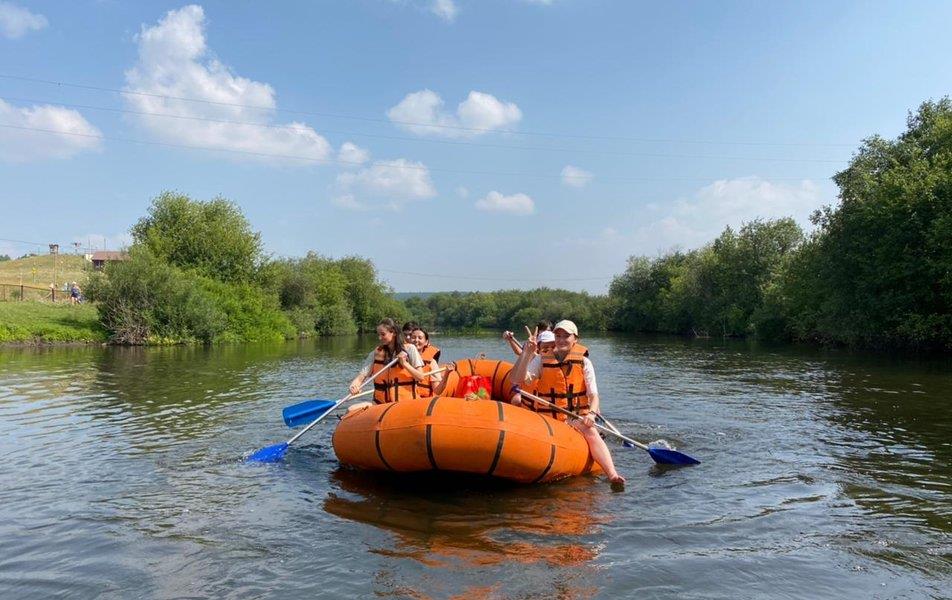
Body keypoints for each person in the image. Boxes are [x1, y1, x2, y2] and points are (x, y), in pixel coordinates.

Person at [510, 319, 624, 487]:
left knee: (591, 432)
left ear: (575, 339)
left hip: (574, 417)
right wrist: (526, 353)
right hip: (548, 418)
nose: (561, 339)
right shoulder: (541, 359)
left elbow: (594, 396)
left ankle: (612, 474)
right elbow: (516, 379)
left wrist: (592, 414)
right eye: (558, 336)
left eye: (566, 336)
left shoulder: (584, 362)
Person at [348, 318, 428, 409]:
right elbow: (360, 378)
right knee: (351, 409)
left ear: (393, 332)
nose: (379, 338)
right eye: (378, 334)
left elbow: (420, 377)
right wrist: (354, 386)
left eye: (383, 334)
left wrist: (405, 364)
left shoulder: (410, 349)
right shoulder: (376, 353)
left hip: (405, 404)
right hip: (380, 404)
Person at [408, 326, 443, 398]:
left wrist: (446, 376)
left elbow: (437, 390)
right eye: (413, 337)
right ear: (409, 340)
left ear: (426, 342)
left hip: (422, 401)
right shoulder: (401, 359)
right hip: (404, 400)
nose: (416, 340)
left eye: (420, 338)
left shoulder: (431, 362)